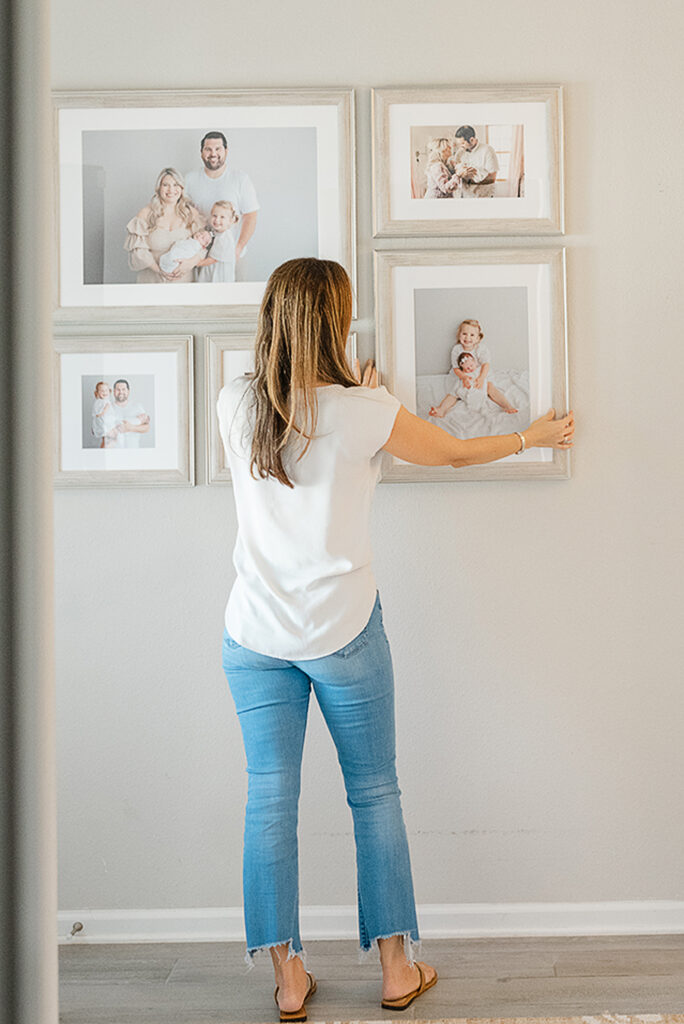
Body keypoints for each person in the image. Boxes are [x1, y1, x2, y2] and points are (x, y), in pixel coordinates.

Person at [217, 258, 574, 1022]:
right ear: (335, 322)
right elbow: (452, 451)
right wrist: (531, 434)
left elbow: (303, 427)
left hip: (254, 636)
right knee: (374, 792)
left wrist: (362, 398)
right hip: (343, 632)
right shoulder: (363, 410)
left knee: (268, 801)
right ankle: (395, 971)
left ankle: (288, 982)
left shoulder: (235, 401)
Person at [184, 131, 259, 263]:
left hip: (231, 255)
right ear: (201, 152)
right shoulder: (189, 179)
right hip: (199, 256)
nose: (213, 154)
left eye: (218, 149)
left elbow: (251, 216)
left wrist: (238, 248)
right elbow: (182, 213)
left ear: (226, 151)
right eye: (208, 149)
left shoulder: (240, 179)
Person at [124, 168, 205, 283]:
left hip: (184, 282)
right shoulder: (146, 213)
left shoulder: (191, 213)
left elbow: (204, 246)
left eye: (175, 185)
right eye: (165, 185)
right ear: (159, 188)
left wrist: (191, 262)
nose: (171, 190)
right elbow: (138, 251)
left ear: (182, 188)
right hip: (152, 280)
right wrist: (159, 270)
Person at [196, 200, 240, 283]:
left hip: (219, 272)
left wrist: (197, 263)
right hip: (211, 267)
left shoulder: (225, 238)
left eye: (222, 217)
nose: (217, 220)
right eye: (214, 216)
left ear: (230, 221)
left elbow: (213, 259)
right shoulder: (215, 232)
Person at [450, 125, 499, 198]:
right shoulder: (460, 152)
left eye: (463, 143)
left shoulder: (487, 150)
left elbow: (492, 178)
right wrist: (461, 174)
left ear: (472, 140)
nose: (460, 146)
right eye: (459, 144)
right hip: (464, 196)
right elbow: (456, 170)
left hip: (482, 196)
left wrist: (470, 182)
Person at [107, 379, 150, 449]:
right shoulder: (107, 408)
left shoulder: (137, 407)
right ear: (114, 391)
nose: (121, 392)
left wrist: (130, 428)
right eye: (118, 389)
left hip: (133, 450)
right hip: (113, 450)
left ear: (128, 391)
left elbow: (146, 428)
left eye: (123, 389)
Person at [90, 381, 118, 449]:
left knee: (111, 440)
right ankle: (104, 451)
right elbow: (98, 414)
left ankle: (106, 450)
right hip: (104, 426)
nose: (104, 392)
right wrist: (105, 408)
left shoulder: (106, 401)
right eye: (102, 391)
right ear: (97, 392)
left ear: (109, 391)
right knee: (108, 440)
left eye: (106, 390)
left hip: (109, 424)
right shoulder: (99, 402)